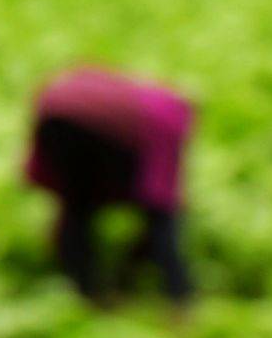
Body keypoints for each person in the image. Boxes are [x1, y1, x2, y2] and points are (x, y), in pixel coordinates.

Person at [22, 67, 197, 306]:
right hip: (83, 123)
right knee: (161, 221)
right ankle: (181, 302)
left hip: (54, 108)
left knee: (77, 205)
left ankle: (86, 296)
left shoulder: (130, 97)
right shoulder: (171, 113)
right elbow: (162, 196)